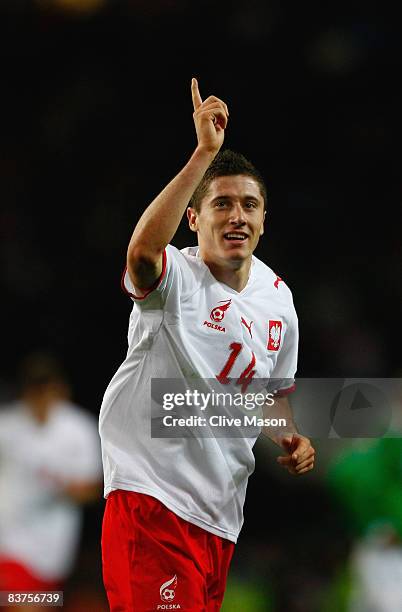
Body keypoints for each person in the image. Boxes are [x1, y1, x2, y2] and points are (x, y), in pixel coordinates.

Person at [99, 78, 315, 611]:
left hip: (219, 519)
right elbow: (143, 253)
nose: (237, 215)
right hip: (151, 501)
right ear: (194, 220)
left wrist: (289, 437)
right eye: (221, 204)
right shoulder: (176, 279)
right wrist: (203, 156)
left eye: (249, 204)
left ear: (264, 220)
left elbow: (268, 392)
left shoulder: (279, 300)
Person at [0, 351, 103, 612]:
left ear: (59, 388)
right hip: (10, 544)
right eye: (35, 388)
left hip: (54, 549)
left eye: (46, 387)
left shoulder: (79, 429)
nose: (41, 395)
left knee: (44, 605)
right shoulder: (7, 426)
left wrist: (70, 489)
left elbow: (94, 488)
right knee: (18, 605)